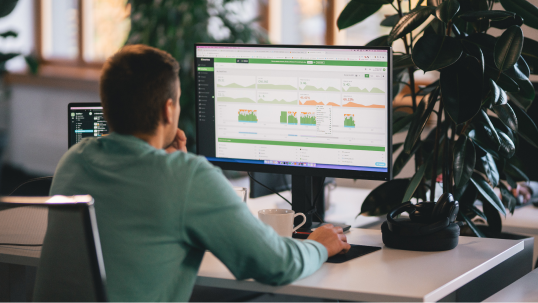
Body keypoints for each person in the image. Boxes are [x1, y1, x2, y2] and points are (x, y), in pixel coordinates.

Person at [47, 45, 350, 303]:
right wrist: (319, 244)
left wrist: (174, 171)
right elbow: (276, 264)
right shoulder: (185, 177)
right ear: (169, 110)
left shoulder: (72, 160)